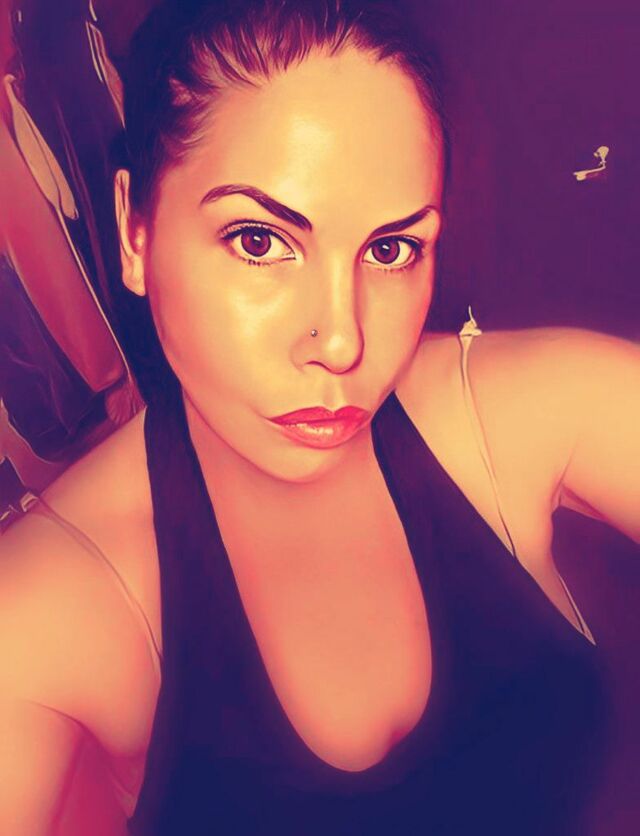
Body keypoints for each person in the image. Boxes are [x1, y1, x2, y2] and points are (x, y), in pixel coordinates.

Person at [0, 0, 638, 833]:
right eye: (259, 241)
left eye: (390, 249)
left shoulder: (522, 412)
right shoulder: (52, 605)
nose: (342, 342)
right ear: (135, 233)